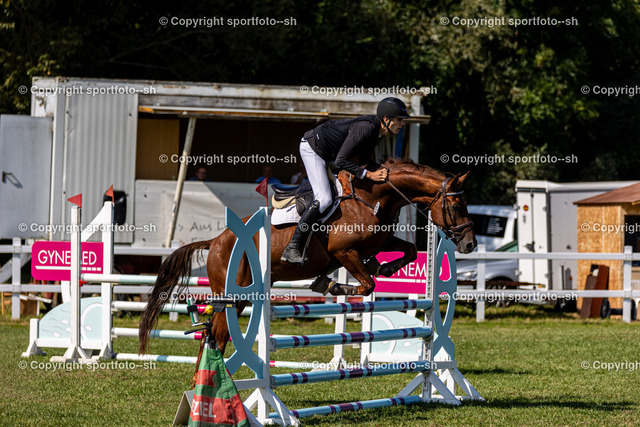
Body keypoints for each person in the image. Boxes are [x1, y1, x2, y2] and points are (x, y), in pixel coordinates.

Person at [280, 97, 410, 266]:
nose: (402, 124)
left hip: (330, 155)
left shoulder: (377, 132)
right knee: (325, 198)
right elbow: (342, 161)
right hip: (314, 149)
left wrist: (383, 171)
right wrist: (370, 175)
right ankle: (292, 247)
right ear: (386, 119)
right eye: (399, 120)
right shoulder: (367, 128)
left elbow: (363, 161)